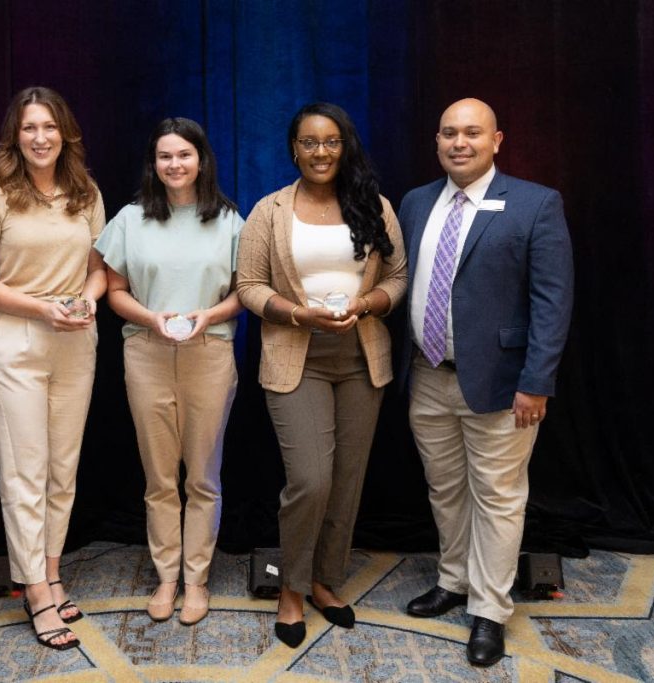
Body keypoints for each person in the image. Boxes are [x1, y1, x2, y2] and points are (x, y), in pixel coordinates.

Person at [398, 98, 574, 666]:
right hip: (427, 376)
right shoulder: (416, 202)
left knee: (498, 499)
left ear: (497, 140)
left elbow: (553, 301)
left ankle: (490, 611)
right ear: (437, 141)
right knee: (445, 491)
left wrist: (537, 381)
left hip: (504, 385)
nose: (460, 142)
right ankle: (453, 582)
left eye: (473, 133)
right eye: (449, 132)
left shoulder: (536, 204)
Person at [236, 102, 407, 648]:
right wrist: (298, 314)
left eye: (331, 141)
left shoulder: (374, 206)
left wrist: (372, 303)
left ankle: (325, 582)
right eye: (309, 142)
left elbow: (399, 275)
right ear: (294, 149)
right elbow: (248, 287)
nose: (320, 151)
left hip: (361, 358)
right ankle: (291, 588)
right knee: (311, 478)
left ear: (345, 145)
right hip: (297, 357)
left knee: (347, 480)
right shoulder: (270, 211)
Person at [0, 86, 105, 651]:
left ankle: (52, 569)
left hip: (75, 340)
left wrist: (89, 299)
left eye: (49, 127)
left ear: (65, 133)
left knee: (62, 469)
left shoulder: (86, 192)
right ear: (14, 137)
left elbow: (100, 269)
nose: (40, 138)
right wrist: (41, 306)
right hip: (15, 340)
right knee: (25, 471)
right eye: (29, 129)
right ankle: (37, 591)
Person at [95, 117, 243, 626]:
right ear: (153, 165)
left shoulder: (227, 220)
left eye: (184, 155)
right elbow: (113, 291)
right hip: (147, 354)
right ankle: (166, 577)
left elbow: (245, 292)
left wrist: (209, 316)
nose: (174, 164)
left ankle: (196, 580)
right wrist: (152, 318)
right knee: (159, 477)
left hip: (209, 353)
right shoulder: (131, 220)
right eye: (165, 157)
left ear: (201, 160)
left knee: (202, 475)